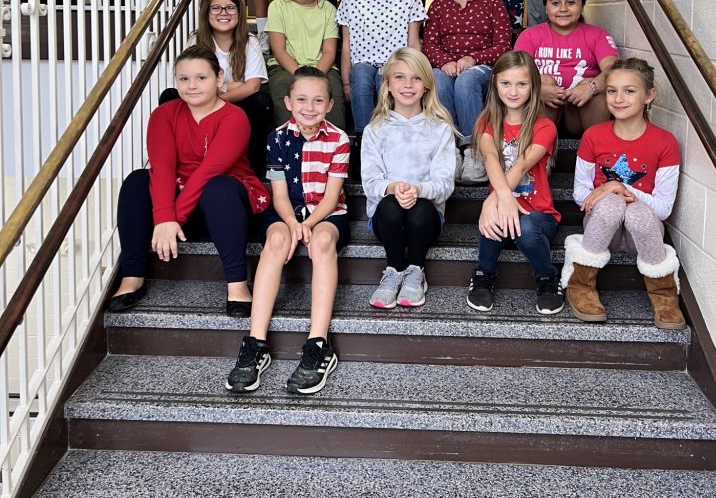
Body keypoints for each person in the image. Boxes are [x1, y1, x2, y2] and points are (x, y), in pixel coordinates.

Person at [108, 46, 270, 316]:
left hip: (225, 206)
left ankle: (238, 284)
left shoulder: (234, 117)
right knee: (137, 181)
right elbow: (162, 168)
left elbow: (207, 172)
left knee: (218, 187)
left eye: (201, 78)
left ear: (219, 78)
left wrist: (173, 219)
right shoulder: (164, 114)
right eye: (184, 79)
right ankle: (132, 277)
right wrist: (164, 219)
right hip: (180, 199)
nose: (191, 85)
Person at [226, 67, 350, 396]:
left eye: (318, 101)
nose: (310, 107)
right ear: (288, 102)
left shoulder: (339, 140)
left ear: (329, 105)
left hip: (325, 213)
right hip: (287, 212)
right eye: (302, 100)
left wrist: (308, 225)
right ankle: (255, 343)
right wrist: (294, 224)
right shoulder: (277, 138)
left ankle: (318, 343)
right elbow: (279, 195)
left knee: (322, 241)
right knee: (277, 238)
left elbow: (332, 198)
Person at [563, 58, 685, 330]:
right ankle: (581, 283)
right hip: (601, 229)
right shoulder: (593, 136)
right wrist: (610, 192)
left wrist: (620, 187)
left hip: (641, 234)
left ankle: (663, 293)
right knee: (611, 204)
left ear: (649, 96)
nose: (618, 99)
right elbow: (580, 194)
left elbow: (664, 209)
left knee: (638, 212)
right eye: (611, 91)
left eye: (629, 91)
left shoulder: (665, 142)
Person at [466, 50, 562, 316]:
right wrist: (499, 201)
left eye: (521, 84)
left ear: (533, 86)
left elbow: (521, 165)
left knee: (525, 226)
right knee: (492, 218)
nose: (513, 91)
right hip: (501, 210)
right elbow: (490, 158)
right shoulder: (486, 122)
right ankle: (484, 274)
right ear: (495, 84)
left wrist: (494, 198)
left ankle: (547, 277)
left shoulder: (545, 127)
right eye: (506, 83)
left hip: (539, 218)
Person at [361, 48, 455, 310]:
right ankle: (394, 270)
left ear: (426, 85)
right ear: (388, 84)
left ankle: (416, 271)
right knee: (390, 205)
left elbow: (444, 184)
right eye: (400, 77)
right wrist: (394, 187)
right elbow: (370, 182)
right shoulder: (375, 129)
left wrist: (417, 189)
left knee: (419, 208)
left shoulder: (440, 129)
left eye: (416, 78)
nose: (408, 85)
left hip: (425, 220)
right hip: (385, 219)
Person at [162, 0, 273, 175]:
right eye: (216, 8)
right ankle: (180, 162)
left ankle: (251, 165)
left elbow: (253, 87)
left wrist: (220, 95)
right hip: (203, 102)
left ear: (239, 11)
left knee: (261, 102)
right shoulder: (197, 41)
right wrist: (233, 86)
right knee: (169, 97)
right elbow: (192, 82)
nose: (224, 13)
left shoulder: (250, 41)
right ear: (206, 12)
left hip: (233, 107)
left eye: (230, 7)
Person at [422, 0, 510, 184]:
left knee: (466, 79)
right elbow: (429, 45)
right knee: (437, 78)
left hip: (482, 69)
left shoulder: (493, 4)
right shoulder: (439, 5)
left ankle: (474, 150)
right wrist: (444, 61)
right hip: (446, 66)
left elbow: (503, 45)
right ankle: (449, 150)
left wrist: (474, 59)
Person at [337, 0, 426, 133]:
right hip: (362, 66)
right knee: (361, 73)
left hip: (396, 65)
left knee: (387, 77)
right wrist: (346, 84)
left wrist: (416, 78)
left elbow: (414, 45)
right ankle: (364, 137)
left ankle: (391, 136)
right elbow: (346, 47)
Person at [515, 0, 619, 136]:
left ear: (582, 6)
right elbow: (514, 73)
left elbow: (614, 68)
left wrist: (591, 87)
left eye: (571, 2)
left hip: (580, 108)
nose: (563, 9)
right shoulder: (530, 35)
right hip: (543, 106)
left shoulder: (597, 34)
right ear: (546, 7)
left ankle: (597, 148)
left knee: (597, 87)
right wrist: (537, 90)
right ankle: (539, 148)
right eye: (555, 3)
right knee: (542, 80)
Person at [265, 0, 345, 129]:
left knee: (332, 91)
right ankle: (288, 141)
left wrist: (315, 76)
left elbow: (329, 51)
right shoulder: (278, 6)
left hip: (322, 68)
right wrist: (300, 76)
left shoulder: (329, 9)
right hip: (285, 67)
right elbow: (279, 50)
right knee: (283, 88)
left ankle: (333, 142)